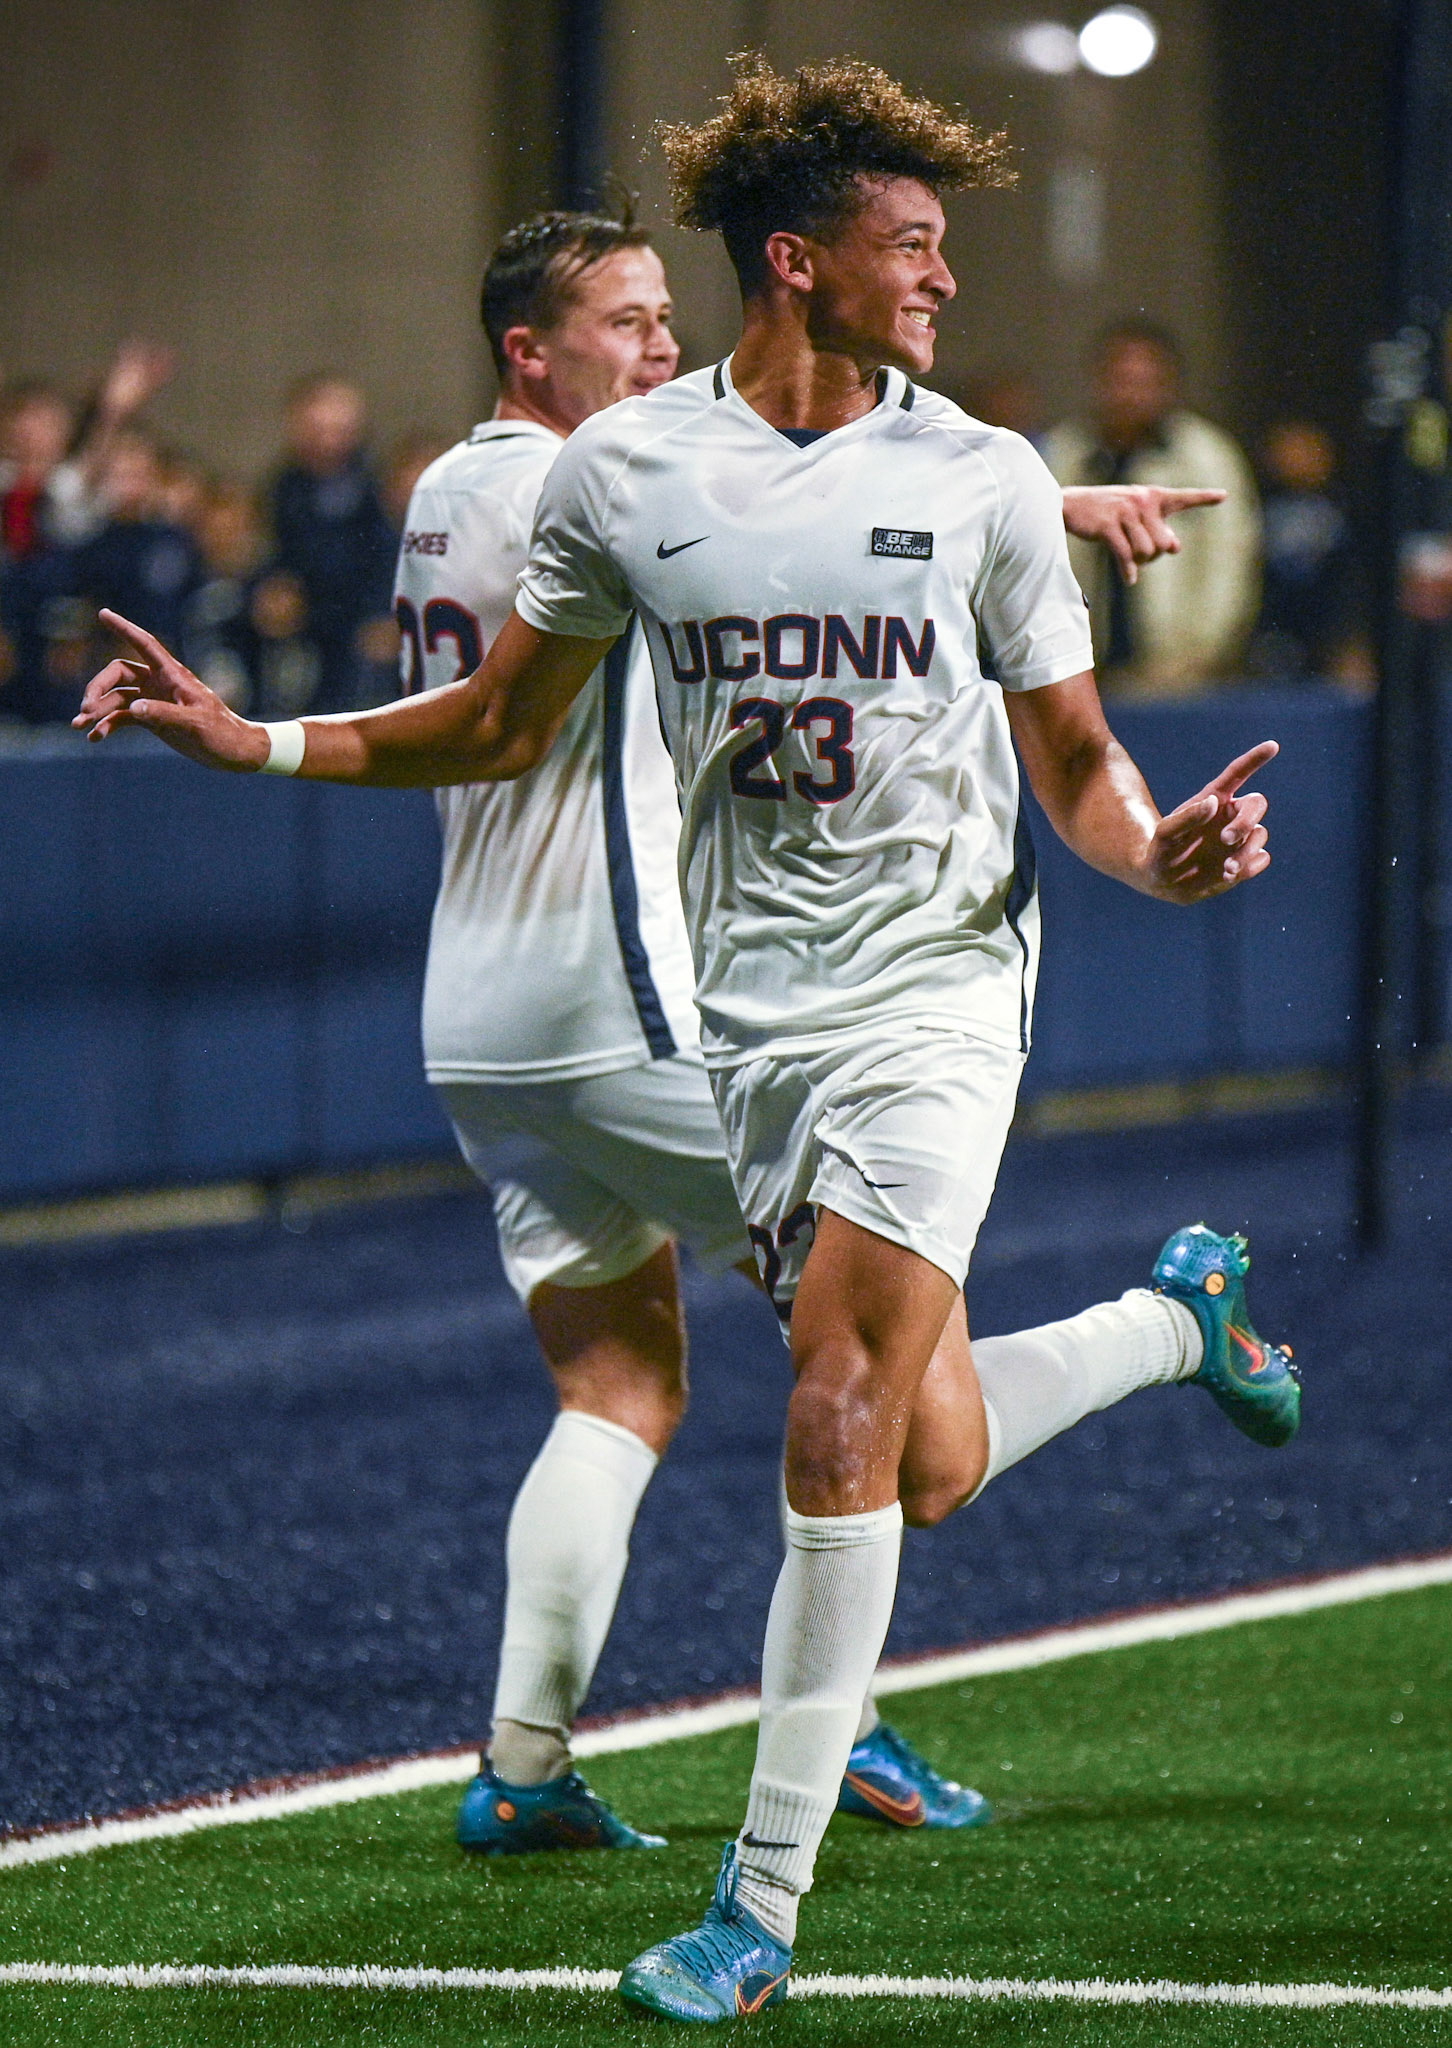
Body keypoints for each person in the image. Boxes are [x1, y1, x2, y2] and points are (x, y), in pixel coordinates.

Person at [76, 56, 1300, 2018]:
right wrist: (258, 737)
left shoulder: (980, 475)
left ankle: (757, 1903)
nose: (948, 282)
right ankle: (1179, 1319)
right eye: (916, 247)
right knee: (927, 1456)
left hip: (939, 991)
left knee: (830, 1411)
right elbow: (490, 721)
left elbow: (1076, 772)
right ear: (800, 262)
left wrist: (1165, 857)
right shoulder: (622, 478)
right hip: (752, 1030)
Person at [1044, 319, 1261, 697]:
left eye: (1144, 382)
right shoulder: (1068, 453)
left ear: (1168, 385)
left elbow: (1230, 561)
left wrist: (1202, 653)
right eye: (1120, 381)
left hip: (1183, 671)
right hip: (1083, 668)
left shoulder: (1204, 454)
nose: (1130, 395)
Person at [265, 375, 398, 713]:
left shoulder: (374, 487)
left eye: (340, 429)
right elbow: (274, 555)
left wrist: (384, 613)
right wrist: (275, 589)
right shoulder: (284, 489)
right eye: (319, 428)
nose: (330, 441)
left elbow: (387, 554)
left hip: (362, 630)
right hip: (304, 631)